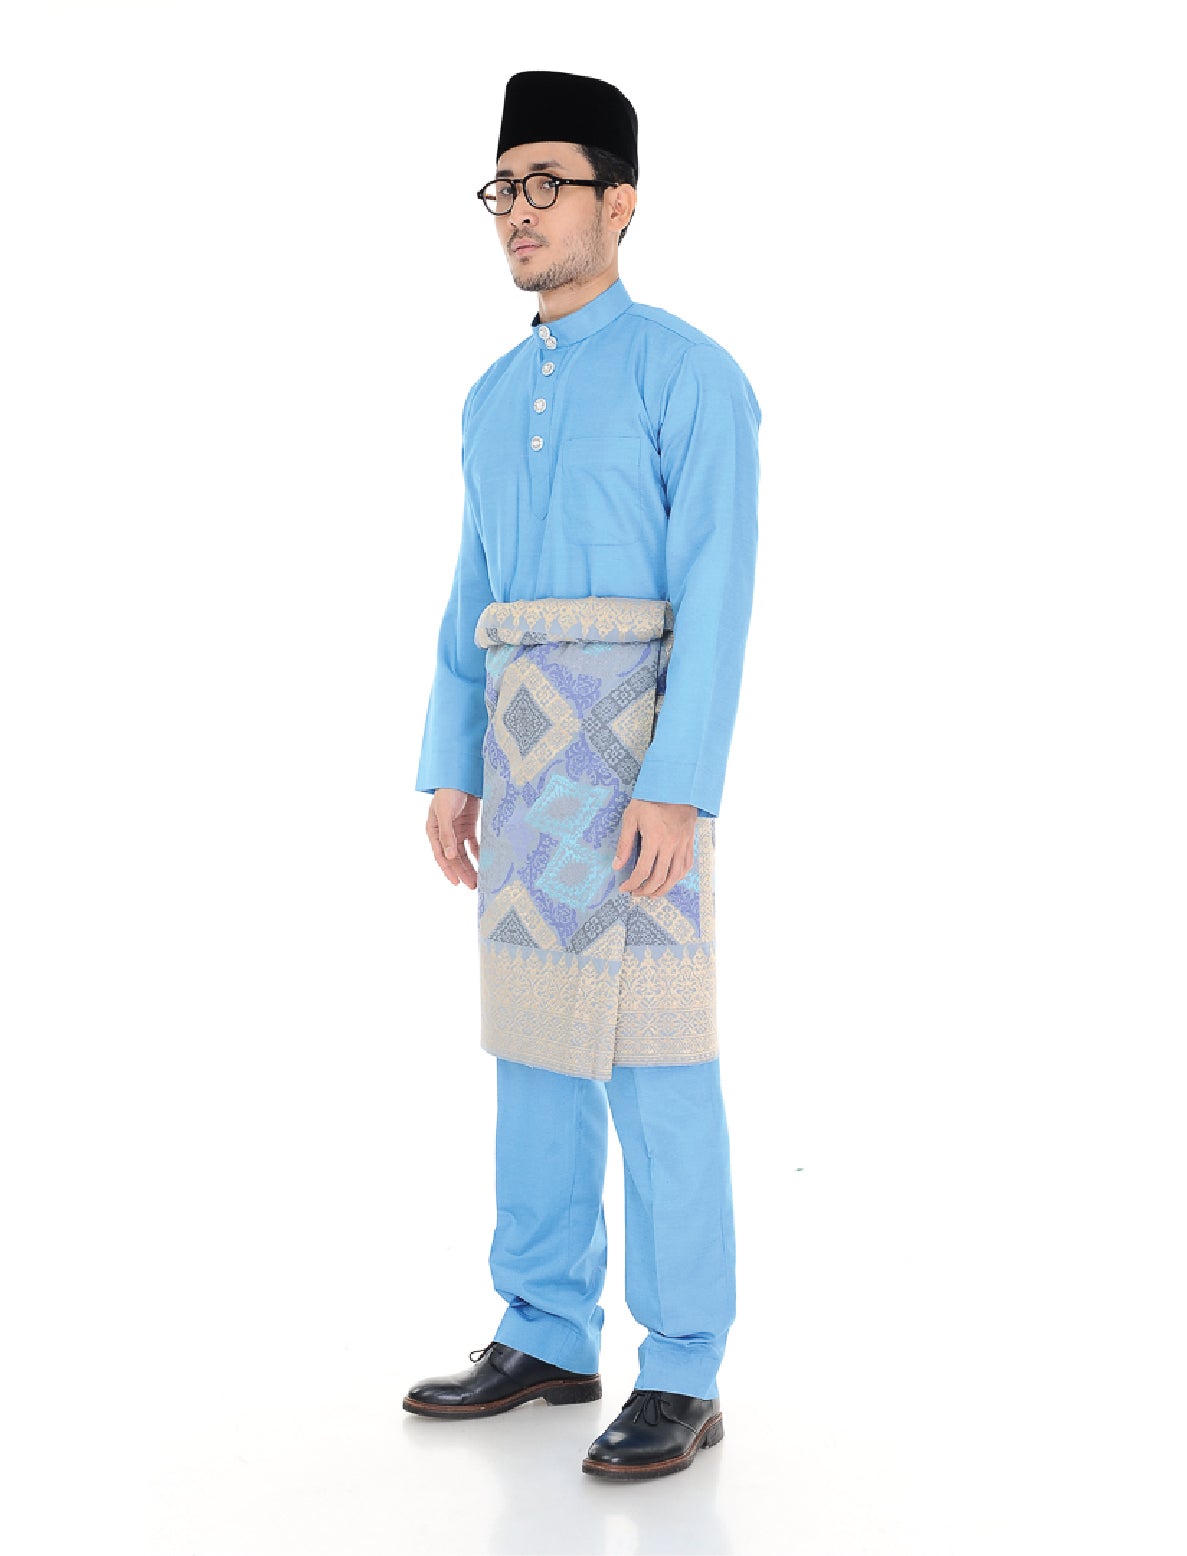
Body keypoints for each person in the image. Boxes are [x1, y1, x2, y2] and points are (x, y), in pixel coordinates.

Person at [405, 68, 761, 1483]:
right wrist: (451, 763)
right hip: (521, 757)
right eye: (506, 187)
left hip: (636, 760)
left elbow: (718, 589)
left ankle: (684, 1365)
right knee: (534, 1050)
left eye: (549, 184)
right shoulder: (493, 397)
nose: (521, 211)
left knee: (659, 1054)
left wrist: (682, 781)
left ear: (621, 202)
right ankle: (546, 1328)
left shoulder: (690, 374)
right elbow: (472, 591)